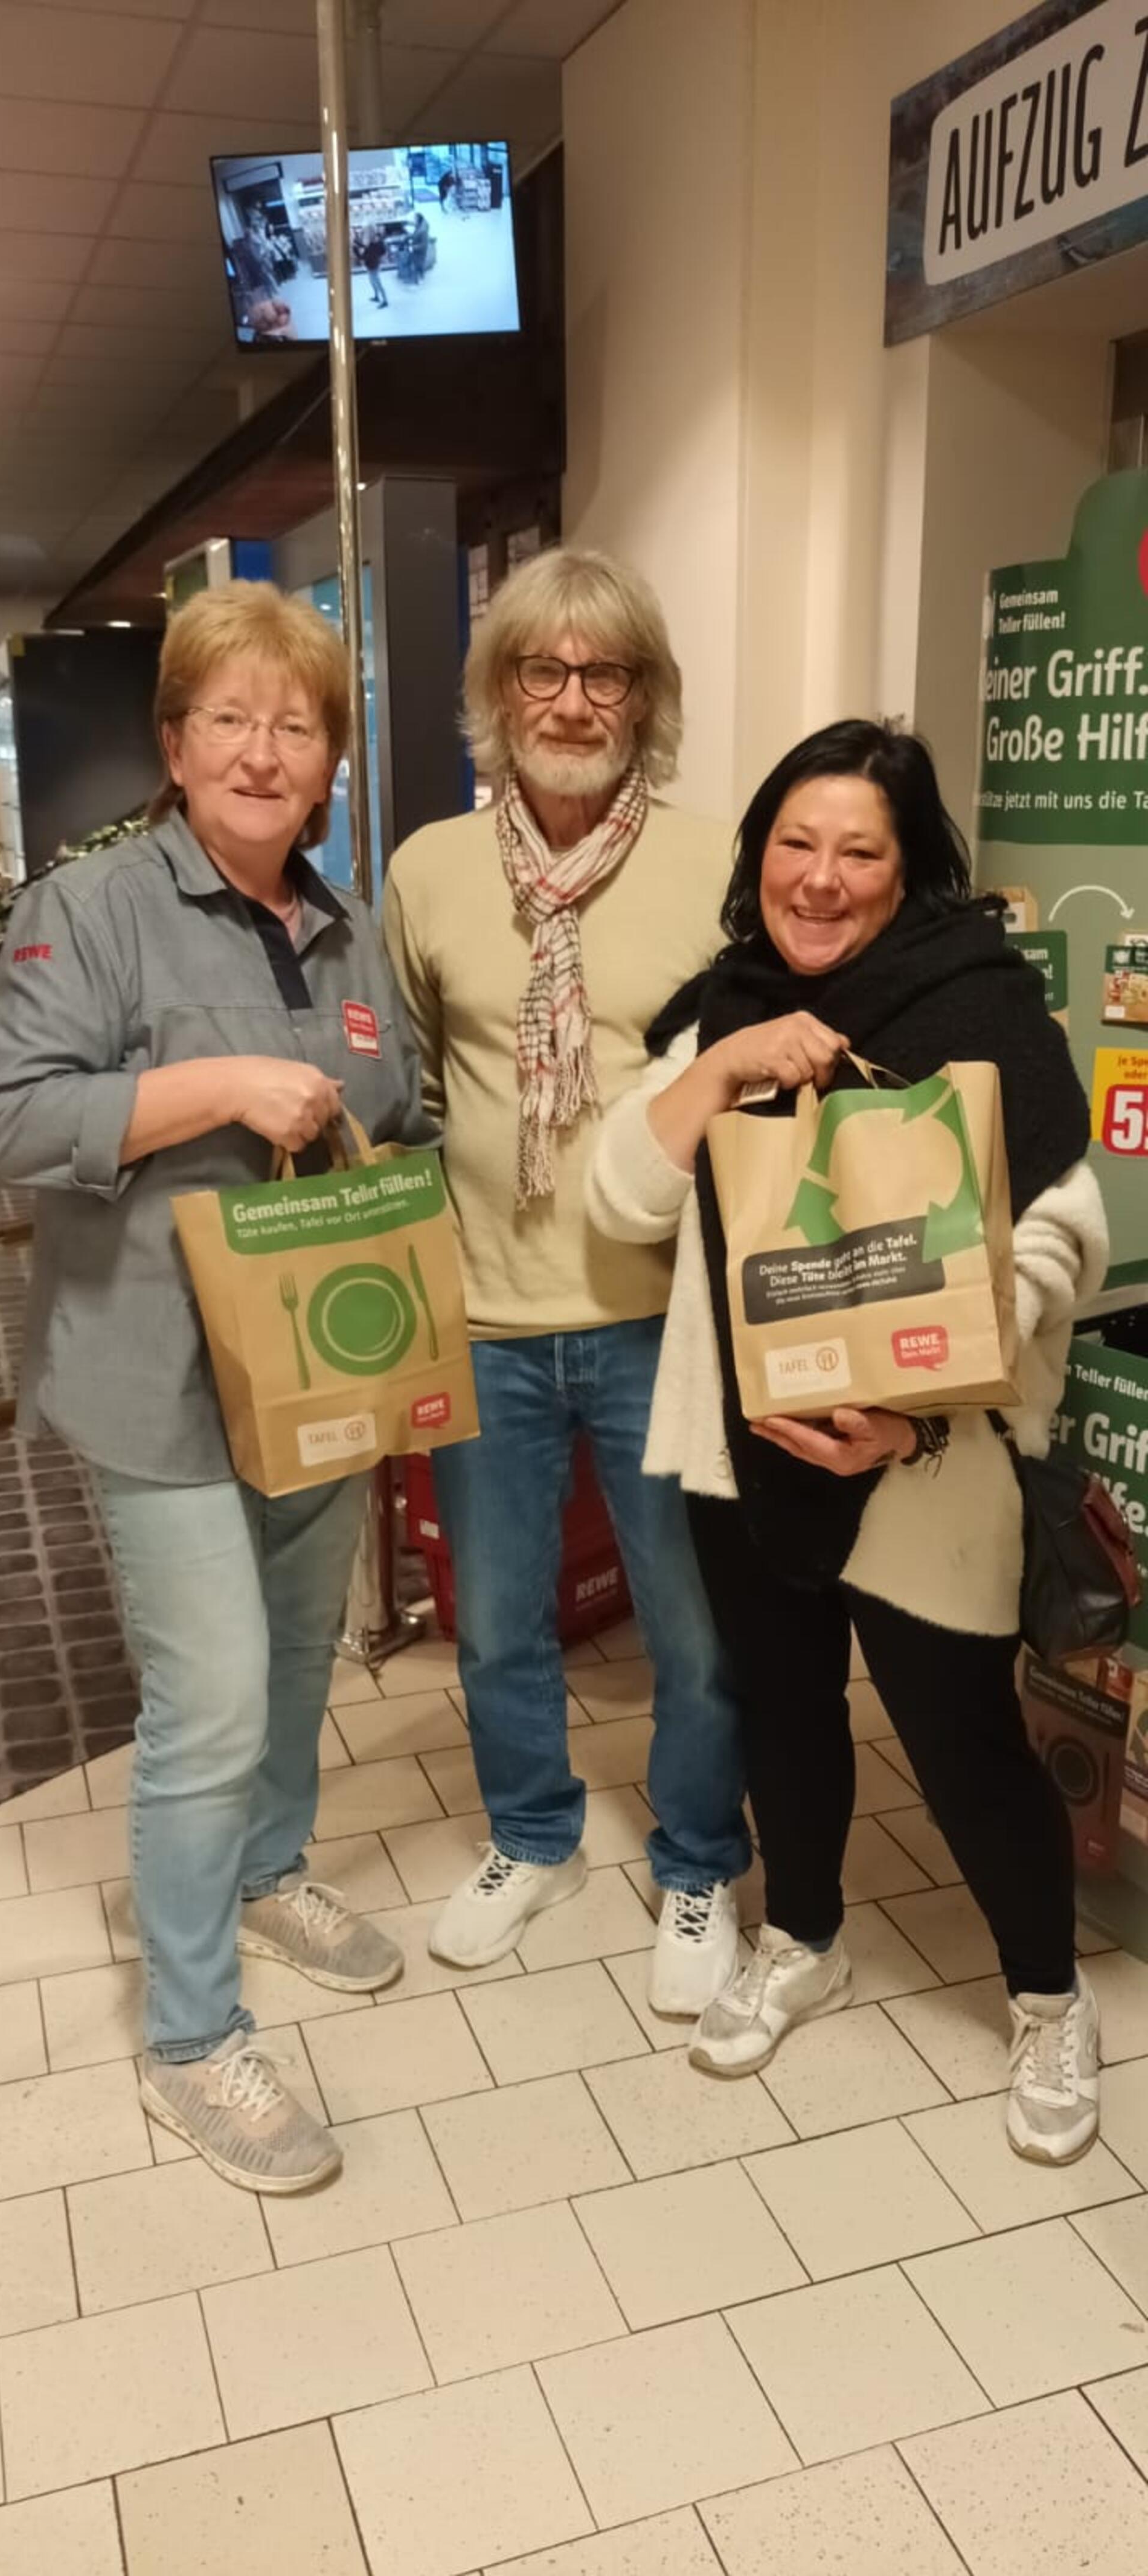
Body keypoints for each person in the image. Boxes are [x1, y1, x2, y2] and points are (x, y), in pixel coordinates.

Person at [587, 718, 1109, 2163]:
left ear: (908, 867)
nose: (817, 880)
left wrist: (915, 1396)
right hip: (741, 1448)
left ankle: (1048, 1998)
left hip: (925, 1462)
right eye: (792, 847)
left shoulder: (981, 1000)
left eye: (857, 852)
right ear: (758, 857)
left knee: (962, 1736)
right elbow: (620, 1200)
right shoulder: (726, 1007)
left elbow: (1066, 1223)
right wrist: (722, 1068)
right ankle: (802, 1933)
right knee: (783, 1706)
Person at [0, 581, 434, 2194]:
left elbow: (402, 1110)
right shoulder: (91, 907)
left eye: (295, 723)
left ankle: (263, 1867)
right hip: (154, 1378)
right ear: (176, 746)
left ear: (330, 760)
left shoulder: (347, 928)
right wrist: (212, 1091)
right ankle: (191, 2038)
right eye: (228, 719)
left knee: (302, 1645)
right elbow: (11, 1116)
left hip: (322, 1373)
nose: (263, 750)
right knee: (215, 1690)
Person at [383, 548, 751, 2013]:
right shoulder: (427, 869)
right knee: (495, 1617)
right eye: (544, 668)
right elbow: (410, 1084)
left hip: (666, 1323)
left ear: (645, 696)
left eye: (607, 673)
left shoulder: (718, 861)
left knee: (693, 1628)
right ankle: (533, 1836)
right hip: (484, 1315)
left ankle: (701, 1856)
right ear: (499, 689)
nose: (574, 699)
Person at [364, 225, 388, 309]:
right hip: (370, 265)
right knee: (372, 282)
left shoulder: (377, 241)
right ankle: (377, 296)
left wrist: (378, 256)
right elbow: (367, 251)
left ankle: (385, 301)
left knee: (378, 283)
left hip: (374, 265)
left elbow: (382, 251)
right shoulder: (371, 241)